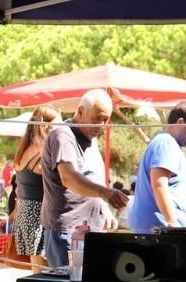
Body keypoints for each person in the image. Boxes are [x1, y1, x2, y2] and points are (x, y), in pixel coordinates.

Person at [41, 89, 126, 267]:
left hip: (92, 229)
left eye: (106, 120)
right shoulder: (63, 136)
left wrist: (104, 208)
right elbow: (69, 177)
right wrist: (105, 193)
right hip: (67, 232)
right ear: (80, 112)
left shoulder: (91, 137)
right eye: (97, 119)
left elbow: (93, 176)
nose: (101, 126)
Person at [127, 103, 186, 232]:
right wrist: (172, 222)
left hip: (157, 229)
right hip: (158, 230)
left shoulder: (167, 144)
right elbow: (159, 184)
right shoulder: (166, 143)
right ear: (180, 122)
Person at [9, 106, 58, 269]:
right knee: (42, 268)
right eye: (57, 126)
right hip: (38, 213)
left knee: (36, 265)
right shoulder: (43, 151)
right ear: (46, 126)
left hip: (25, 211)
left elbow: (18, 187)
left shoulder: (24, 149)